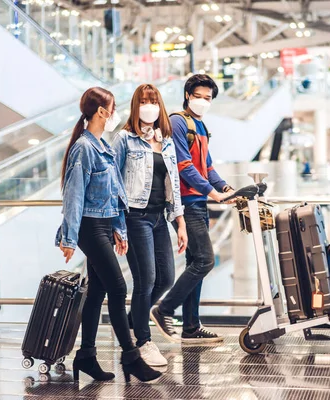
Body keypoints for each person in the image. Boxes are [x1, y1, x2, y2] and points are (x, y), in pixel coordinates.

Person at [56, 87, 161, 383]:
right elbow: (73, 196)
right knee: (118, 289)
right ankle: (131, 357)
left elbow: (115, 194)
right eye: (112, 108)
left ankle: (86, 356)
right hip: (89, 227)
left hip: (103, 224)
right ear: (101, 112)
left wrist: (119, 229)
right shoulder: (84, 148)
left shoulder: (103, 147)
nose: (115, 113)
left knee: (98, 293)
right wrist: (69, 238)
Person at [151, 74, 233, 344]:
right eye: (198, 96)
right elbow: (184, 166)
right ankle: (164, 309)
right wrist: (211, 192)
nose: (202, 101)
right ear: (187, 94)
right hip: (185, 203)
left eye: (208, 98)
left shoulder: (200, 125)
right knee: (205, 261)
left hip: (198, 203)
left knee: (194, 261)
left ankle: (191, 326)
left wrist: (224, 188)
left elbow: (207, 167)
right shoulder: (177, 122)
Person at [111, 83, 188, 367]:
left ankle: (136, 320)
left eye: (153, 101)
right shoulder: (124, 139)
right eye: (143, 101)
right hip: (135, 217)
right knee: (146, 282)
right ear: (135, 106)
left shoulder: (165, 140)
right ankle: (143, 342)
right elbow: (113, 183)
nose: (149, 106)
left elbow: (175, 185)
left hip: (160, 217)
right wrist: (117, 225)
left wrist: (179, 221)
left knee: (166, 278)